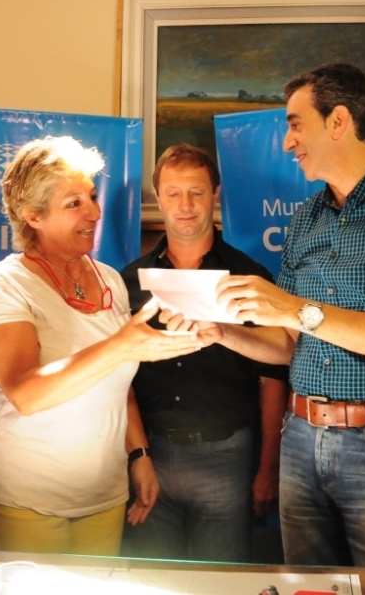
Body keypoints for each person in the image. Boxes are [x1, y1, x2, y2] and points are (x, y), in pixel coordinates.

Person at [176, 63, 365, 567]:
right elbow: (288, 344)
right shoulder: (305, 219)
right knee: (307, 589)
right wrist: (220, 331)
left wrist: (296, 309)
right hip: (299, 439)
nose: (287, 142)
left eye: (295, 124)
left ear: (338, 121)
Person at [0, 136, 201, 556]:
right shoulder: (5, 283)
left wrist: (138, 453)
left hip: (104, 494)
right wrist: (121, 345)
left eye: (92, 196)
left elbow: (118, 383)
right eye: (73, 203)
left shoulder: (109, 279)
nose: (94, 212)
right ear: (33, 216)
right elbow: (25, 393)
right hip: (28, 495)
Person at [120, 143, 288, 563]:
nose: (185, 205)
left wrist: (268, 468)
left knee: (224, 580)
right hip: (152, 454)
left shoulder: (249, 276)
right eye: (173, 193)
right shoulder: (129, 281)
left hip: (228, 457)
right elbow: (118, 378)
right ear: (158, 198)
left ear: (215, 194)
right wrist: (137, 454)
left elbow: (273, 377)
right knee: (152, 582)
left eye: (196, 192)